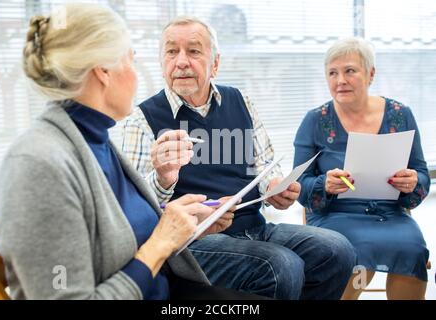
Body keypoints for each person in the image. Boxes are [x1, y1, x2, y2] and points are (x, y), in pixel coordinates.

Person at [0, 3, 261, 300]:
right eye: (131, 61)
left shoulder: (95, 141)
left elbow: (121, 232)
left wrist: (182, 223)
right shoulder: (37, 164)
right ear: (104, 71)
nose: (137, 76)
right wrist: (161, 242)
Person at [122, 16, 356, 300]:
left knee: (337, 250)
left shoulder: (240, 101)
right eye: (172, 51)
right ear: (161, 62)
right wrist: (161, 177)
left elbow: (265, 167)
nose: (181, 61)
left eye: (194, 51)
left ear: (215, 64)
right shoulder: (141, 119)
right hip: (192, 243)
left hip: (252, 227)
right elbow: (131, 209)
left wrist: (274, 188)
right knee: (281, 266)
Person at [293, 37, 431, 300]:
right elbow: (299, 186)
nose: (340, 80)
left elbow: (422, 173)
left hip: (390, 213)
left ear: (370, 74)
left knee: (412, 248)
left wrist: (413, 181)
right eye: (332, 73)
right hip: (333, 214)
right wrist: (324, 184)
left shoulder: (401, 114)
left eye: (349, 71)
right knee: (352, 250)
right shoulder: (314, 120)